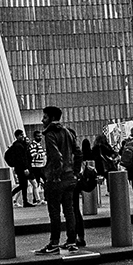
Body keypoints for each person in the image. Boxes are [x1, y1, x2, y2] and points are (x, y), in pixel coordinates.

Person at [35, 105, 81, 254]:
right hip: (69, 177)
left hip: (57, 179)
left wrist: (54, 176)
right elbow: (78, 153)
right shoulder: (67, 132)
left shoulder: (50, 134)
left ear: (52, 118)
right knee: (69, 210)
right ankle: (71, 241)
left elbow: (56, 157)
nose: (42, 120)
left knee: (54, 212)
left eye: (45, 117)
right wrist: (75, 172)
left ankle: (54, 243)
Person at [5, 129, 34, 208]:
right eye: (21, 135)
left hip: (19, 168)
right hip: (21, 168)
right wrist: (25, 168)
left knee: (24, 185)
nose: (23, 136)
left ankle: (25, 201)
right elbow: (21, 158)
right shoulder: (18, 146)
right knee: (23, 185)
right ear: (17, 136)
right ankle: (11, 195)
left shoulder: (18, 145)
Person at [27, 130, 46, 206]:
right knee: (37, 182)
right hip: (35, 166)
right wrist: (42, 154)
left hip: (40, 165)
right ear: (34, 137)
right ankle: (36, 199)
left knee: (41, 181)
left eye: (40, 136)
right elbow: (33, 155)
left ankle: (39, 198)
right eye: (38, 136)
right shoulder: (33, 145)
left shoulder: (39, 145)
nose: (40, 137)